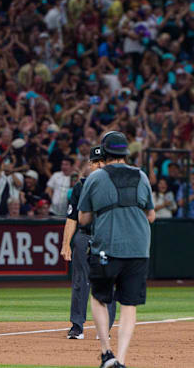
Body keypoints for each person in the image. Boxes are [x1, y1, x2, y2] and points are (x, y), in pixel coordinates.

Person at [78, 131, 155, 368]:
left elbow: (82, 218)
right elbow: (151, 215)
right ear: (125, 153)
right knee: (129, 304)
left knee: (99, 298)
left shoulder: (95, 178)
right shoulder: (141, 176)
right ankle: (121, 359)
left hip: (107, 246)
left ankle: (106, 353)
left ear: (106, 152)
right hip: (139, 248)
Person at [60, 145, 116, 340]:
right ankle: (77, 326)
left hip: (108, 237)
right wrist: (66, 244)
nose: (99, 165)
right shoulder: (81, 187)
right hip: (84, 236)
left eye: (103, 161)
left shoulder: (115, 185)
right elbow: (71, 218)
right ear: (90, 164)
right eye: (96, 162)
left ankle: (105, 328)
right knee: (79, 282)